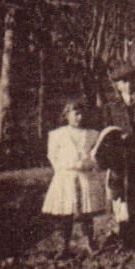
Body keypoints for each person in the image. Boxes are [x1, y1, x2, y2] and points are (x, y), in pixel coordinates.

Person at [100, 62, 135, 249]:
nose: (128, 84)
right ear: (117, 85)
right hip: (121, 157)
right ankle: (126, 236)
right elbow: (106, 134)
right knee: (122, 196)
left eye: (131, 80)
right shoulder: (111, 107)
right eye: (123, 81)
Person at [42, 98, 108, 255]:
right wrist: (62, 171)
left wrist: (90, 165)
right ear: (67, 115)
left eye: (82, 114)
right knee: (66, 212)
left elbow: (96, 154)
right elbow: (52, 155)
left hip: (85, 176)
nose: (80, 117)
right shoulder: (57, 134)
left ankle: (89, 242)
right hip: (66, 177)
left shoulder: (92, 134)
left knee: (86, 212)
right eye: (76, 114)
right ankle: (64, 245)